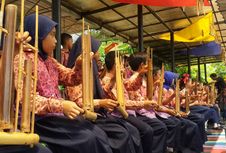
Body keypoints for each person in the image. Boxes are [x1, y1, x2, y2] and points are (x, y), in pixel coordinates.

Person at [14, 14, 113, 153]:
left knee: (98, 133)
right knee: (87, 138)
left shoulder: (50, 61)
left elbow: (70, 78)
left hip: (55, 116)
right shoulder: (21, 58)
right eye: (52, 35)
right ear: (40, 35)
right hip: (36, 121)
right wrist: (61, 105)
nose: (56, 41)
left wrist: (79, 65)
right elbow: (27, 100)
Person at [66, 36, 143, 153]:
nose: (98, 52)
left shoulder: (93, 69)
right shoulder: (74, 73)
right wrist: (101, 102)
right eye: (96, 48)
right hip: (87, 115)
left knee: (130, 131)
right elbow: (78, 102)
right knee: (122, 133)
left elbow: (121, 88)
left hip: (99, 113)